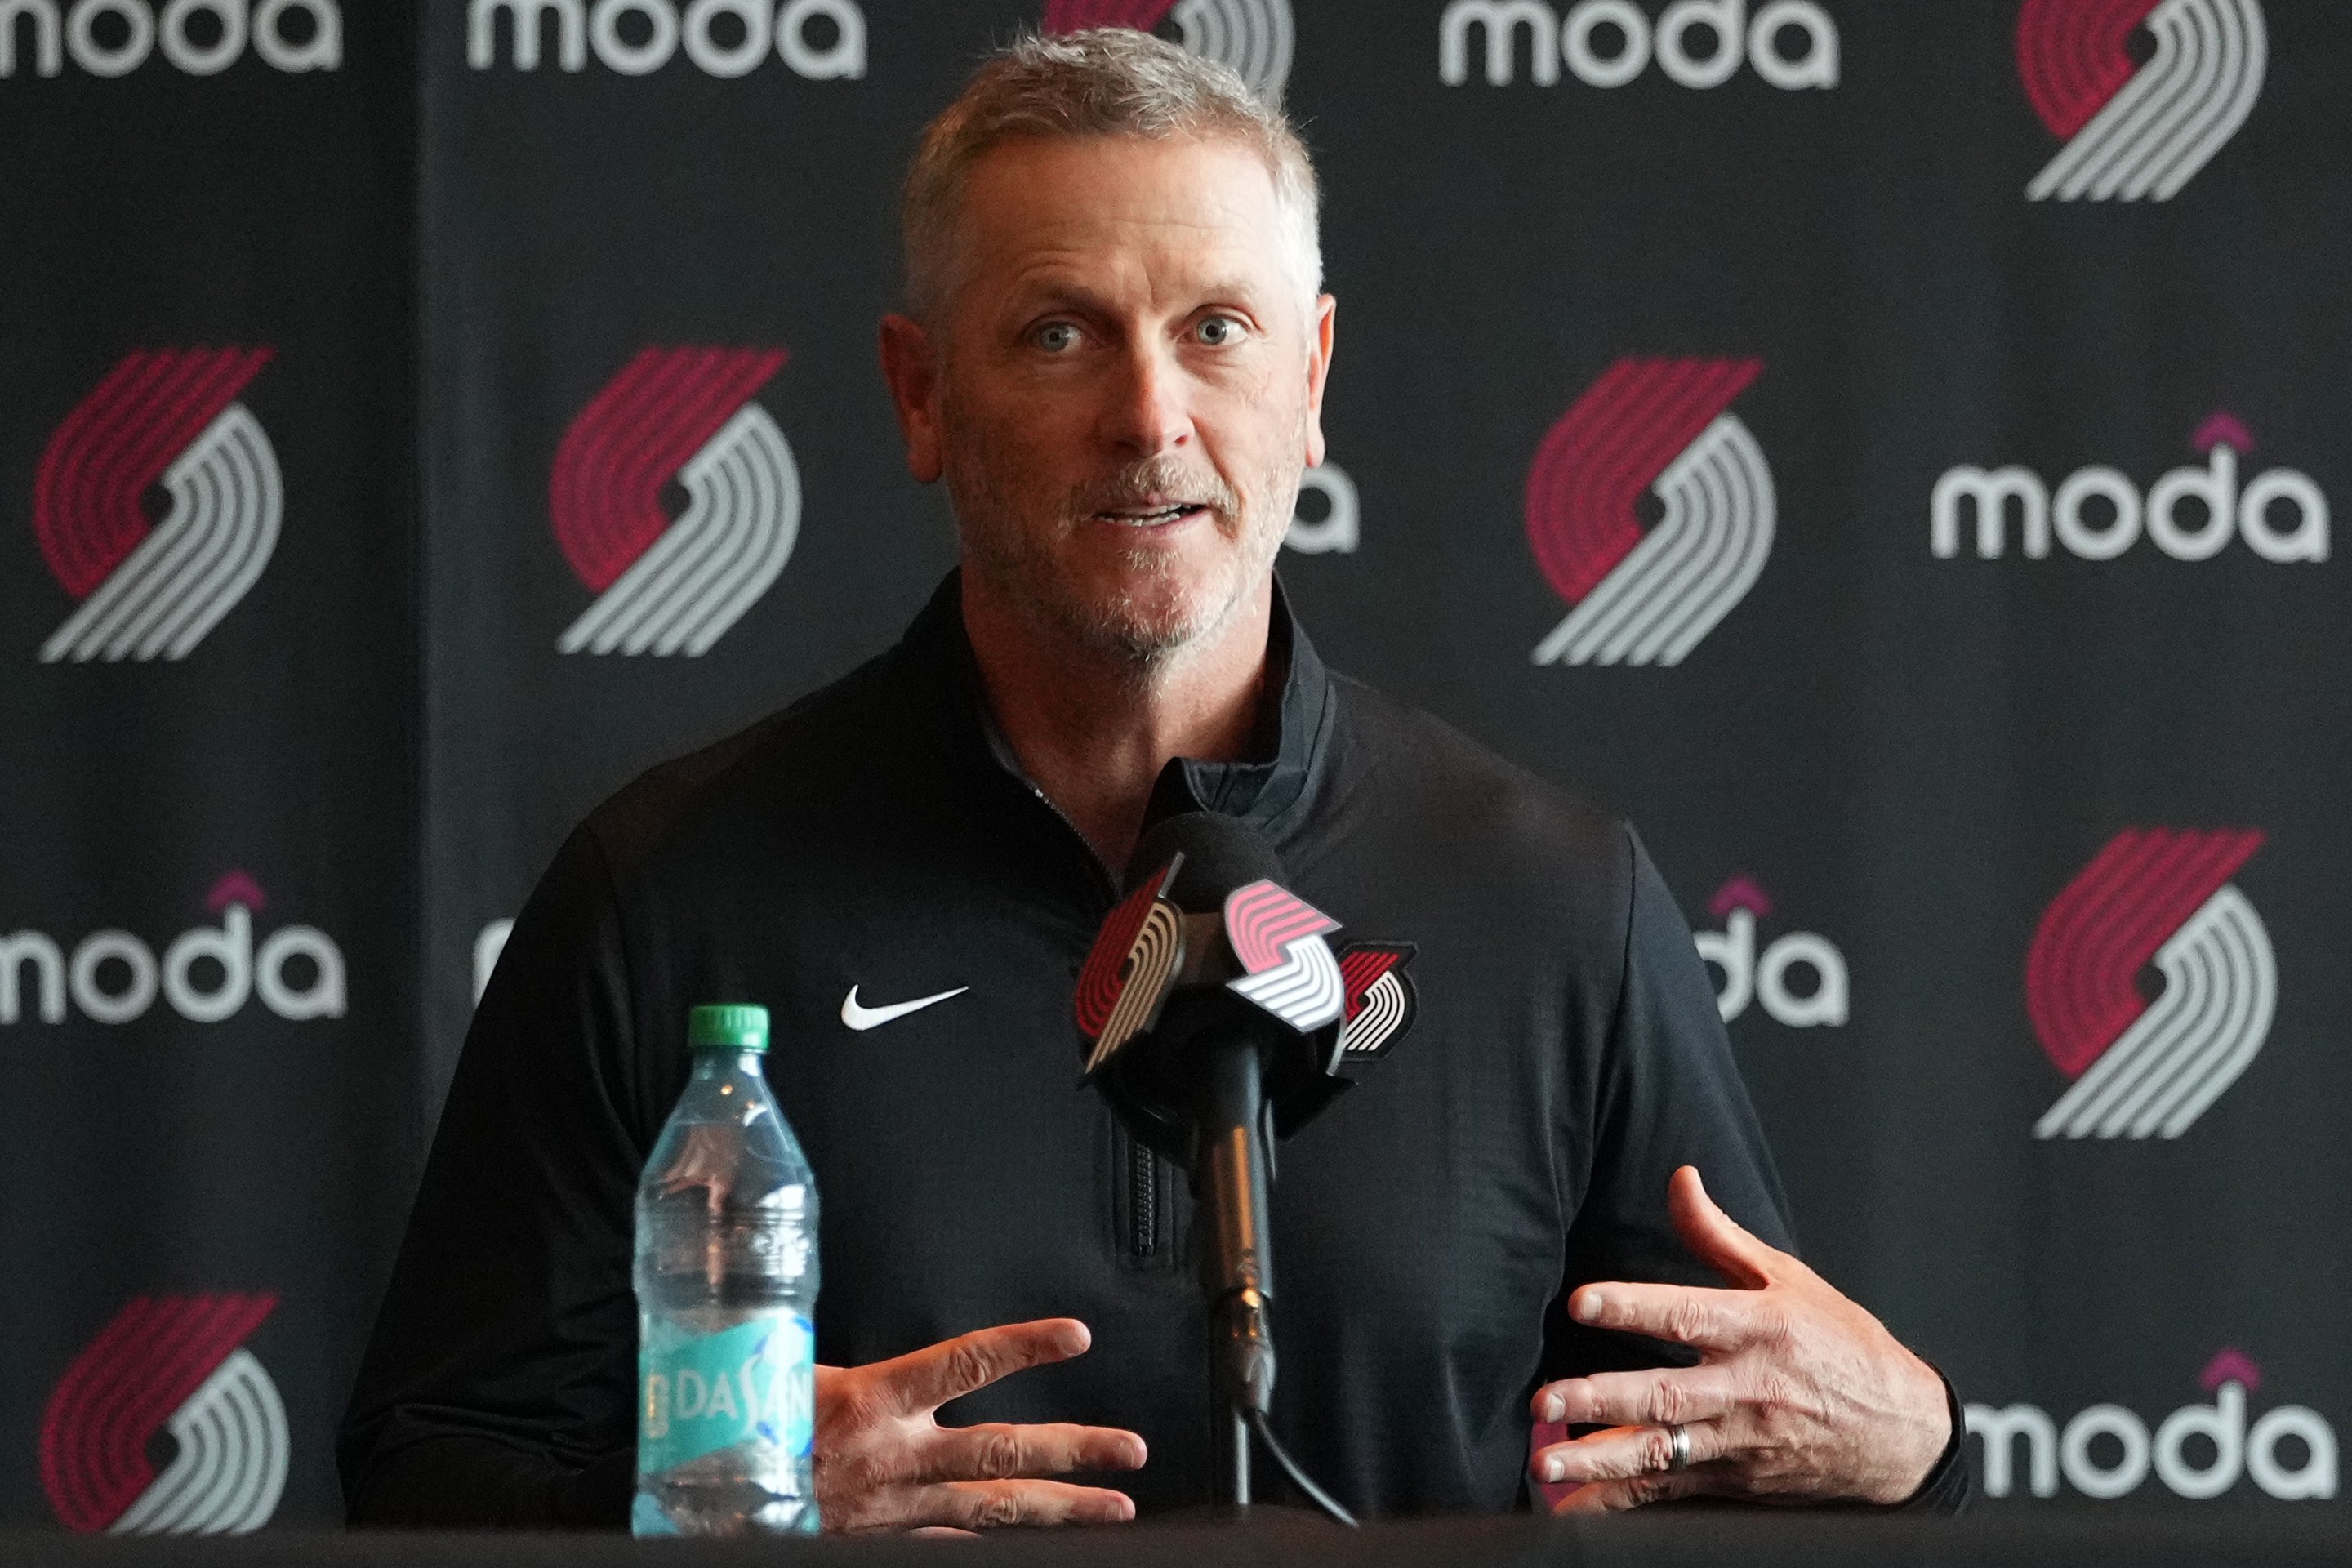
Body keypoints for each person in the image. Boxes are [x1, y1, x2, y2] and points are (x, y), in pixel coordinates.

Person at [339, 29, 1969, 1530]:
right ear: (921, 394)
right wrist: (727, 1487)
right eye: (1059, 333)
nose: (1149, 414)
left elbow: (1780, 1462)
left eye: (1217, 329)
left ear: (1312, 378)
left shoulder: (1552, 901)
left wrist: (1923, 1453)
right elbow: (427, 1468)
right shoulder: (672, 892)